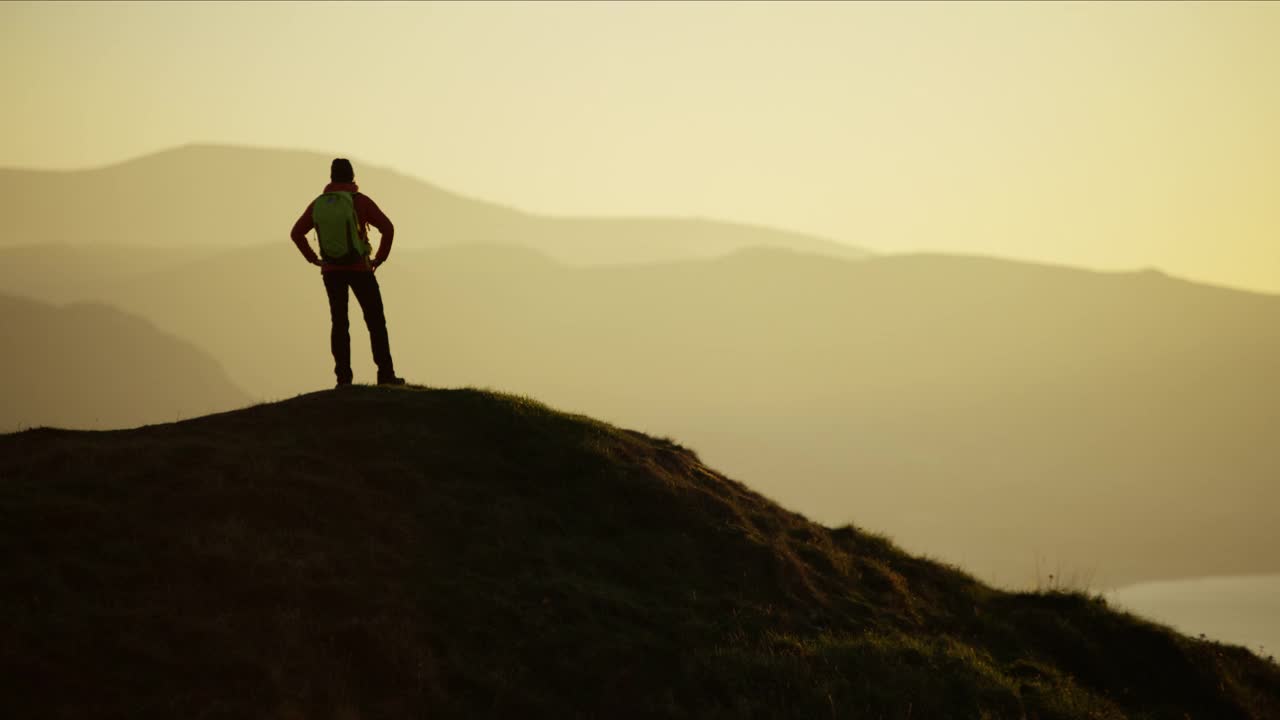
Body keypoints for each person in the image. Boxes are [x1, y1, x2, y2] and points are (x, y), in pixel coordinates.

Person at [290, 158, 405, 387]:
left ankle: (343, 378)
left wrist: (314, 258)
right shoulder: (360, 202)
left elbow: (296, 233)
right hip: (360, 268)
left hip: (331, 270)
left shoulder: (318, 204)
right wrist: (379, 259)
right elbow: (388, 228)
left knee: (339, 322)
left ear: (331, 177)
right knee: (375, 320)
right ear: (353, 177)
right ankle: (385, 374)